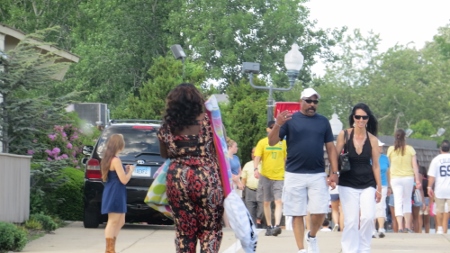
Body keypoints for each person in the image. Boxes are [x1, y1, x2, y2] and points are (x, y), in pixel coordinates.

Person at [268, 87, 339, 253]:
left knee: (320, 211)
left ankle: (312, 236)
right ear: (301, 102)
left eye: (315, 101)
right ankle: (301, 249)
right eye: (309, 101)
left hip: (317, 173)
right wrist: (278, 124)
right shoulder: (290, 120)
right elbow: (272, 142)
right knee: (296, 213)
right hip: (294, 173)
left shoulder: (323, 121)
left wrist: (334, 172)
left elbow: (330, 147)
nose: (312, 104)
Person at [158, 83, 224, 253]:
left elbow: (165, 154)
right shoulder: (209, 121)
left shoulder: (166, 127)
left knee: (184, 232)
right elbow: (220, 148)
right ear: (197, 100)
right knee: (210, 229)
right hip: (206, 176)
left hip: (177, 177)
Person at [336, 103, 381, 253]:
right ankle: (349, 249)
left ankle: (364, 248)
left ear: (368, 119)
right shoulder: (345, 134)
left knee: (368, 217)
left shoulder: (373, 139)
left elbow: (375, 165)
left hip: (368, 182)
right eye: (358, 117)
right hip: (347, 182)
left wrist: (379, 187)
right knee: (351, 220)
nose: (361, 120)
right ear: (353, 118)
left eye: (364, 117)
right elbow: (334, 156)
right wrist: (332, 174)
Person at [100, 134, 135, 253]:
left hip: (115, 190)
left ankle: (111, 247)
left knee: (120, 221)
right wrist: (130, 172)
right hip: (115, 191)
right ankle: (109, 250)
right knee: (113, 221)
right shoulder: (115, 160)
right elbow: (124, 180)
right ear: (119, 144)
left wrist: (125, 170)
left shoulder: (109, 158)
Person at [254, 120, 287, 237]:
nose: (273, 129)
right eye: (271, 127)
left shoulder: (283, 143)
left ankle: (276, 226)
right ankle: (268, 225)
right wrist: (255, 169)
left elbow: (286, 159)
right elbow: (257, 156)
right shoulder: (263, 142)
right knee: (266, 202)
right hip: (266, 176)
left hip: (280, 176)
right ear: (268, 129)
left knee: (278, 201)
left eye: (276, 127)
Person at [387, 129, 422, 233]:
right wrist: (417, 180)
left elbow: (390, 166)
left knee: (398, 201)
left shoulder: (390, 150)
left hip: (395, 178)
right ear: (404, 137)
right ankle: (407, 225)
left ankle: (400, 226)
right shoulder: (410, 149)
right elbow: (415, 166)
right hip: (408, 177)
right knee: (407, 201)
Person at [427, 140, 450, 235]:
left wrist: (429, 187)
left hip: (439, 188)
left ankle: (440, 228)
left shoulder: (436, 160)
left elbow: (432, 176)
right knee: (448, 210)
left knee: (439, 209)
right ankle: (445, 228)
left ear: (440, 149)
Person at [241, 147, 264, 228]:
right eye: (252, 152)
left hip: (261, 190)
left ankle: (259, 220)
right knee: (250, 210)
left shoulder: (264, 164)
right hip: (249, 190)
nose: (253, 155)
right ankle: (253, 227)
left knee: (262, 208)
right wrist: (242, 185)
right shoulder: (247, 164)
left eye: (255, 153)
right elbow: (244, 177)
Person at [373, 139, 390, 238]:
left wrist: (389, 186)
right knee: (372, 206)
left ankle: (381, 228)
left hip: (383, 184)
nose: (381, 148)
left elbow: (388, 172)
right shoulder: (370, 158)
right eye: (379, 146)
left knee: (381, 205)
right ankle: (372, 228)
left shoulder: (385, 158)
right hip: (372, 184)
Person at [419, 165, 432, 233]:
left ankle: (420, 232)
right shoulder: (428, 181)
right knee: (427, 221)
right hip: (428, 199)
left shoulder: (418, 182)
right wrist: (430, 204)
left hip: (420, 199)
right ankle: (427, 233)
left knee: (419, 219)